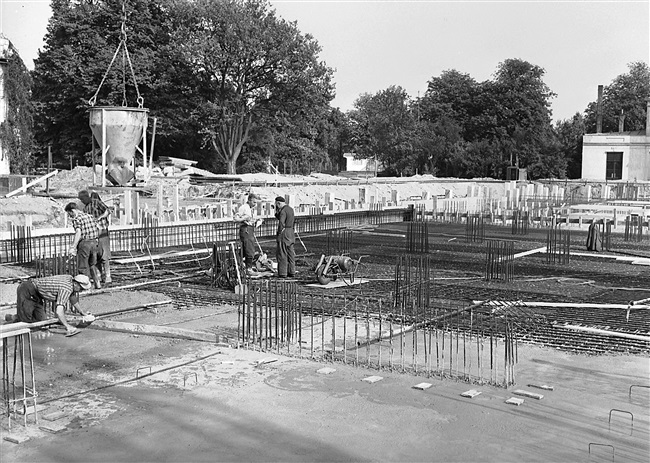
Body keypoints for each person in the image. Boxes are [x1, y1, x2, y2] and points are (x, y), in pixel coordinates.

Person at [11, 274, 95, 337]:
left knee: (42, 322)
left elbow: (72, 298)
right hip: (27, 289)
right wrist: (67, 326)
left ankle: (16, 317)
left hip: (37, 293)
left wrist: (82, 312)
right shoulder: (66, 288)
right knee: (25, 323)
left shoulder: (70, 279)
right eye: (81, 288)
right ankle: (14, 320)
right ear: (76, 284)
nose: (81, 290)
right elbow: (59, 311)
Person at [78, 190, 113, 284]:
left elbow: (108, 210)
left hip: (103, 232)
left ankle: (107, 276)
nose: (82, 201)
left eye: (82, 199)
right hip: (94, 234)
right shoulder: (85, 209)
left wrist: (100, 217)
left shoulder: (96, 202)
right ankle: (99, 276)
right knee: (96, 255)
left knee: (104, 255)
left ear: (86, 197)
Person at [64, 202, 102, 288]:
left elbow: (78, 232)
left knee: (83, 266)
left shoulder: (77, 219)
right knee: (92, 264)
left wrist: (73, 247)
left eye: (70, 214)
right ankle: (97, 283)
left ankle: (85, 286)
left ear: (73, 211)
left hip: (85, 244)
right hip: (94, 242)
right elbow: (99, 228)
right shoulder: (90, 216)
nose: (70, 217)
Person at [234, 193, 263, 274]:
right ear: (249, 200)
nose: (255, 204)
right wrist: (244, 218)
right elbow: (235, 218)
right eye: (254, 202)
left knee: (245, 249)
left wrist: (256, 220)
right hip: (246, 229)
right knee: (249, 249)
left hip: (249, 229)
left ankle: (239, 264)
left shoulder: (250, 208)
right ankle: (248, 269)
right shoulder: (243, 207)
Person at [274, 196, 296, 278]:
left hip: (284, 233)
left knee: (282, 253)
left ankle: (283, 273)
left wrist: (279, 233)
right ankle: (292, 271)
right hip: (291, 232)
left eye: (277, 205)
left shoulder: (283, 211)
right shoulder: (290, 209)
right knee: (291, 253)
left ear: (278, 203)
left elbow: (281, 223)